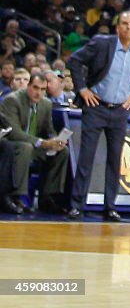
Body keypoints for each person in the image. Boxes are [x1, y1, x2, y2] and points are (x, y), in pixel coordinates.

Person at [67, 10, 130, 221]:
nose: (128, 27)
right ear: (117, 27)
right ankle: (76, 205)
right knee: (86, 157)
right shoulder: (102, 43)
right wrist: (82, 89)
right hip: (96, 107)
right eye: (124, 23)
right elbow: (74, 61)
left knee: (115, 160)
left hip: (120, 111)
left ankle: (110, 207)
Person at [1, 71, 70, 214]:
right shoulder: (12, 100)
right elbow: (14, 133)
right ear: (28, 86)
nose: (39, 93)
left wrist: (56, 140)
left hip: (35, 146)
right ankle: (17, 196)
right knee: (25, 147)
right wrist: (43, 143)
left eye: (43, 89)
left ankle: (48, 197)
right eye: (35, 88)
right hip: (12, 144)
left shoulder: (46, 104)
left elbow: (48, 130)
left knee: (63, 152)